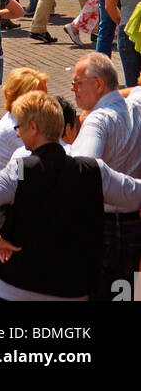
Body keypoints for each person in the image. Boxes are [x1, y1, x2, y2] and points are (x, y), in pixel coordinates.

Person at [0, 90, 141, 302]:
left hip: (15, 286)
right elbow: (134, 194)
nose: (17, 134)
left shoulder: (19, 169)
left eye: (19, 127)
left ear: (33, 128)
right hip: (72, 288)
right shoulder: (91, 169)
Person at [69, 51, 141, 296]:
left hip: (102, 229)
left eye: (77, 83)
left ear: (98, 84)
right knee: (131, 292)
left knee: (99, 292)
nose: (72, 89)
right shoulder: (136, 106)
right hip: (135, 224)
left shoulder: (98, 121)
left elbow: (84, 168)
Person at [0, 66, 50, 180]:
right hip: (7, 193)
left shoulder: (27, 121)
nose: (46, 101)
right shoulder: (13, 129)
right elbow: (46, 160)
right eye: (40, 97)